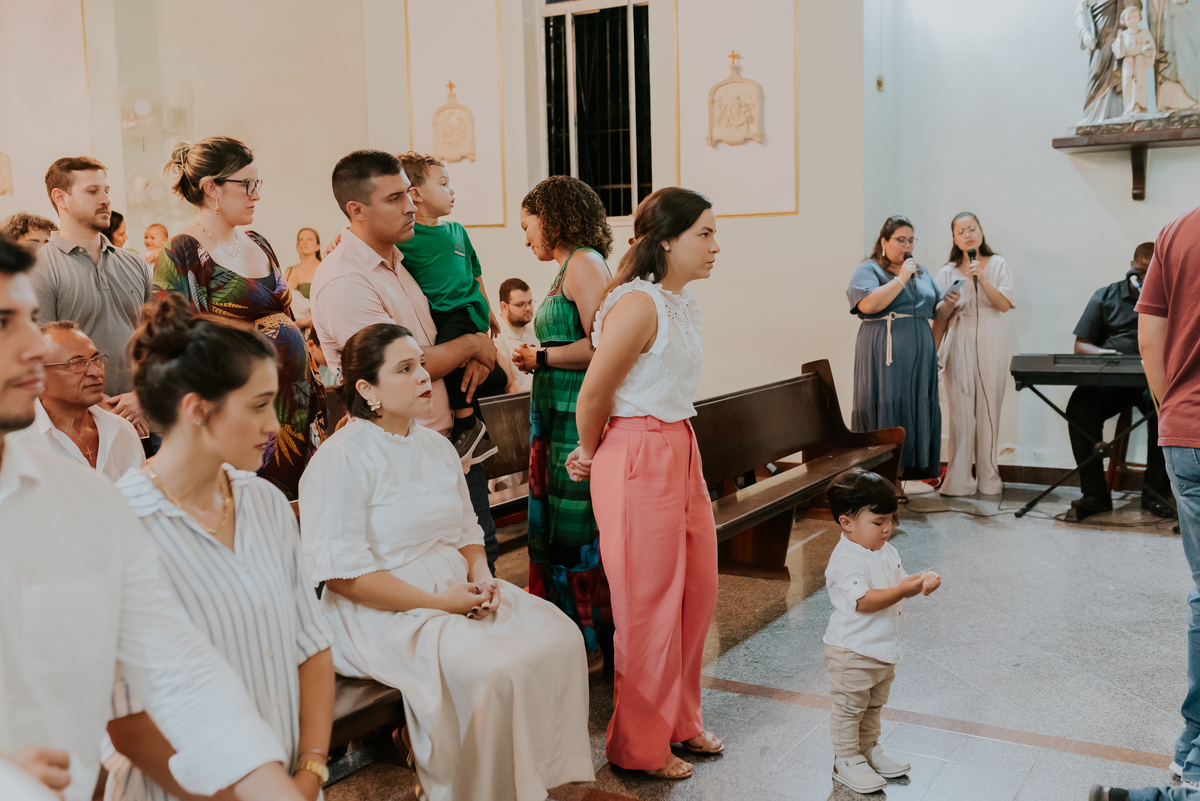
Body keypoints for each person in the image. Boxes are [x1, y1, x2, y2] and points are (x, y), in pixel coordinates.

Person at [0, 233, 309, 801]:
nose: (32, 347)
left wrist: (275, 789)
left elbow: (180, 671)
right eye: (2, 322)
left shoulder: (84, 503)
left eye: (28, 318)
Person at [299, 323, 594, 801]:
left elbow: (466, 531)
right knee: (495, 671)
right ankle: (479, 790)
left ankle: (534, 779)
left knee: (559, 638)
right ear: (366, 389)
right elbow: (343, 574)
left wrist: (482, 577)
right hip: (380, 610)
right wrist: (439, 604)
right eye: (406, 368)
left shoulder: (435, 445)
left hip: (456, 588)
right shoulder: (341, 459)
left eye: (421, 363)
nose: (424, 377)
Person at [102, 293, 336, 801]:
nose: (274, 425)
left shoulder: (264, 503)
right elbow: (126, 718)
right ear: (197, 409)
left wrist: (311, 768)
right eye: (257, 406)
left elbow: (311, 642)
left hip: (287, 776)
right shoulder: (123, 527)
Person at [566, 186, 722, 780]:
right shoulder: (636, 304)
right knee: (648, 604)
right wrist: (589, 450)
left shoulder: (679, 301)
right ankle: (637, 744)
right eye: (703, 234)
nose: (714, 247)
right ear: (665, 242)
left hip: (680, 444)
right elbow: (594, 394)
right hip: (638, 451)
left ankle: (680, 720)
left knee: (695, 592)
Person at [310, 148, 502, 571]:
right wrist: (471, 345)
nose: (411, 205)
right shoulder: (346, 281)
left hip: (442, 443)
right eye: (395, 198)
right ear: (356, 210)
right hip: (397, 458)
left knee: (479, 558)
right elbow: (395, 372)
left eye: (409, 194)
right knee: (427, 572)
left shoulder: (402, 260)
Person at [154, 136, 324, 501]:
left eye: (257, 184)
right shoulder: (182, 252)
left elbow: (286, 314)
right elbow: (170, 342)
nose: (256, 195)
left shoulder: (259, 241)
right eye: (246, 185)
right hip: (243, 414)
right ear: (211, 188)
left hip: (296, 405)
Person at [512, 176, 614, 673]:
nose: (525, 237)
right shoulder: (565, 268)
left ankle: (592, 639)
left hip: (577, 410)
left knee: (575, 526)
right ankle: (571, 635)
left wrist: (541, 356)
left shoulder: (584, 263)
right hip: (555, 409)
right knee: (556, 521)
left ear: (552, 217)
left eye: (528, 225)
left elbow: (605, 347)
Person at [821, 468, 941, 793]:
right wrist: (904, 590)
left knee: (873, 706)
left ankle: (868, 749)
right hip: (853, 652)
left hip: (882, 649)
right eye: (878, 522)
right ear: (847, 522)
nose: (887, 528)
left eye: (891, 519)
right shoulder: (847, 558)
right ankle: (845, 759)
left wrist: (918, 584)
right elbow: (864, 601)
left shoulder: (884, 549)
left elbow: (895, 584)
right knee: (850, 708)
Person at [1139, 204, 1200, 790]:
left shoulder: (1178, 229)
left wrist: (1170, 411)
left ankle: (1194, 740)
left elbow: (1150, 333)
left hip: (1186, 431)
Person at [397, 151, 505, 462]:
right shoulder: (406, 238)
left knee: (448, 355)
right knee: (456, 362)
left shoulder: (457, 231)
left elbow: (475, 270)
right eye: (443, 183)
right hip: (439, 314)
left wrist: (487, 309)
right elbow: (368, 244)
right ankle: (477, 431)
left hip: (464, 310)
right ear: (415, 194)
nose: (451, 191)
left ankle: (467, 423)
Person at [33, 156, 151, 437]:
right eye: (92, 191)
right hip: (79, 427)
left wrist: (141, 395)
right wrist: (99, 406)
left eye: (106, 191)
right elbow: (40, 357)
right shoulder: (39, 268)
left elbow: (155, 341)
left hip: (144, 417)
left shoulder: (135, 264)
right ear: (60, 198)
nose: (106, 200)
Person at [848, 215, 960, 500]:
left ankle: (904, 474)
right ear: (884, 242)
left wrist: (948, 303)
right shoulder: (868, 269)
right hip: (882, 355)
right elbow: (869, 303)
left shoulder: (920, 272)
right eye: (901, 239)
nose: (907, 245)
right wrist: (901, 279)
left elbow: (937, 313)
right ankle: (886, 484)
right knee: (887, 412)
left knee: (913, 412)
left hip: (919, 356)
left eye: (911, 240)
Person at [1065, 242, 1174, 522]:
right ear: (1130, 266)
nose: (1143, 278)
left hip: (1151, 379)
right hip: (1112, 378)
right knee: (1080, 407)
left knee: (1165, 409)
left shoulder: (1172, 297)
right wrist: (1105, 354)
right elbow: (1082, 345)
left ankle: (1156, 495)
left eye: (1151, 273)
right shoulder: (1106, 295)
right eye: (1139, 271)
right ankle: (1095, 494)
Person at [934, 212, 1014, 497]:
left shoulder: (998, 263)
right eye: (960, 231)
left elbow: (1004, 305)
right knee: (960, 413)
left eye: (972, 228)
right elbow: (939, 315)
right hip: (959, 333)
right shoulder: (947, 271)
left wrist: (981, 278)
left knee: (990, 408)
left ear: (981, 232)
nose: (967, 234)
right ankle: (958, 480)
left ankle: (989, 478)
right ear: (954, 238)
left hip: (991, 334)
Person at [8, 321, 144, 481]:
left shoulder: (122, 431)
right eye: (77, 363)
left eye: (95, 359)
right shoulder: (16, 441)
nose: (95, 371)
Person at [495, 277, 539, 393]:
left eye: (530, 302)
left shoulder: (533, 333)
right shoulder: (495, 337)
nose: (528, 308)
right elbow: (509, 388)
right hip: (516, 405)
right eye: (520, 305)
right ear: (504, 306)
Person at [1112, 3, 1157, 116]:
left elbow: (1151, 48)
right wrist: (1119, 40)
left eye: (1134, 17)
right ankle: (1129, 107)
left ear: (1139, 18)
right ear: (1124, 21)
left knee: (1141, 83)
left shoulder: (1145, 33)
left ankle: (1141, 106)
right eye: (1129, 18)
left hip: (1140, 62)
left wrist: (1148, 52)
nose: (1132, 21)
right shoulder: (1123, 35)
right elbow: (1118, 53)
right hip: (1128, 64)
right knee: (1128, 84)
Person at [284, 227, 321, 332]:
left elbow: (329, 305)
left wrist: (302, 323)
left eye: (309, 239)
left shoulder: (323, 269)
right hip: (292, 330)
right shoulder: (290, 271)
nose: (304, 242)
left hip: (316, 330)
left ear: (317, 246)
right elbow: (281, 301)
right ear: (297, 246)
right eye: (301, 240)